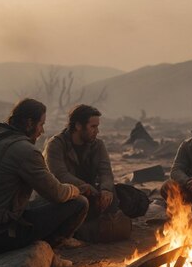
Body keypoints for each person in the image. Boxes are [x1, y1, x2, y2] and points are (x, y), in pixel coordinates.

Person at [0, 98, 88, 267]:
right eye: (41, 124)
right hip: (0, 235)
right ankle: (48, 255)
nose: (42, 131)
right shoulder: (24, 150)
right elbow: (57, 193)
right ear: (29, 123)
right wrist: (75, 190)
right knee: (79, 203)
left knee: (41, 201)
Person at [44, 104, 132, 243]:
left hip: (91, 194)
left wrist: (106, 190)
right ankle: (82, 231)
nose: (97, 131)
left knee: (126, 197)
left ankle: (94, 227)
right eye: (93, 127)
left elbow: (105, 172)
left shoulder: (97, 145)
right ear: (78, 126)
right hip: (66, 195)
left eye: (97, 126)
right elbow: (60, 174)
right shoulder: (56, 144)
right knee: (75, 206)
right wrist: (83, 186)